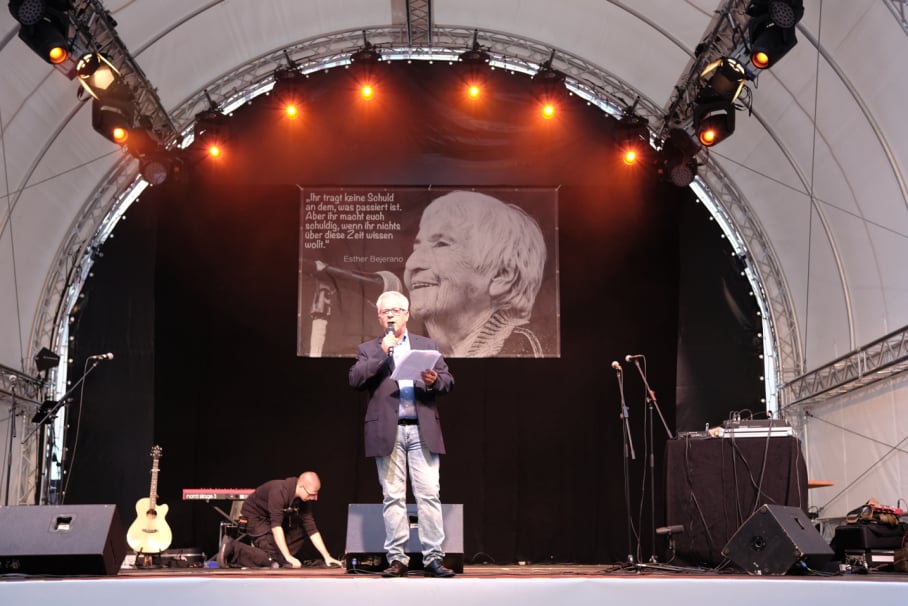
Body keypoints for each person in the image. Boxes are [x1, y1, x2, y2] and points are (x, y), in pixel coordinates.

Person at [348, 290, 456, 577]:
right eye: (387, 311)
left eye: (398, 310)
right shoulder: (370, 348)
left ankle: (433, 558)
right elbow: (356, 379)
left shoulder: (426, 345)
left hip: (422, 429)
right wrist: (383, 354)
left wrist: (434, 380)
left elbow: (448, 380)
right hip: (388, 431)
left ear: (408, 315)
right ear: (380, 317)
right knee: (393, 496)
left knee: (429, 494)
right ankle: (398, 559)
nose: (392, 315)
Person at [403, 190, 547, 357]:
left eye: (441, 244)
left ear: (503, 275)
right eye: (417, 247)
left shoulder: (520, 351)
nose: (412, 263)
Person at [217, 471, 342, 569]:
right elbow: (276, 527)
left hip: (269, 521)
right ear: (301, 486)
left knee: (300, 531)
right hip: (254, 518)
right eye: (312, 494)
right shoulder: (279, 491)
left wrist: (327, 556)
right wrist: (287, 556)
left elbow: (312, 529)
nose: (314, 498)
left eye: (316, 494)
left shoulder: (304, 500)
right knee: (274, 560)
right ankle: (232, 547)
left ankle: (279, 557)